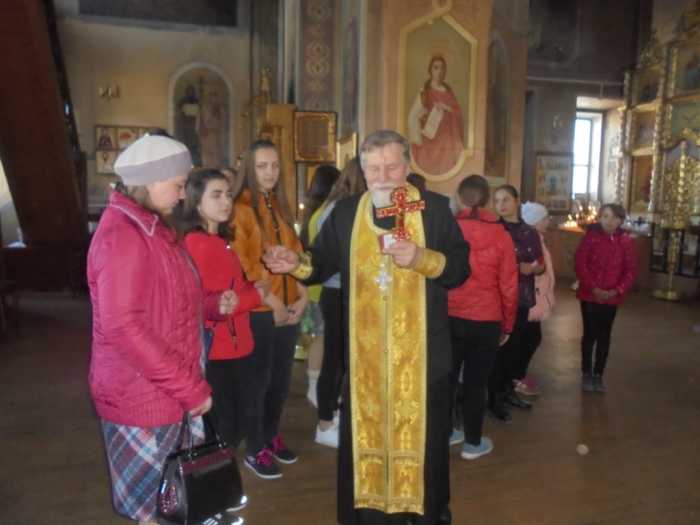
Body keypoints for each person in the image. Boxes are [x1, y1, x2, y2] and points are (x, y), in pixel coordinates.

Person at [263, 130, 470, 525]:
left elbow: (460, 269)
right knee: (365, 444)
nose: (383, 176)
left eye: (391, 166)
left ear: (407, 166)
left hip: (424, 361)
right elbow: (319, 262)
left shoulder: (435, 210)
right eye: (373, 168)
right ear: (362, 169)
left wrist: (422, 258)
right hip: (366, 363)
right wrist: (295, 264)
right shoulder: (346, 213)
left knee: (426, 451)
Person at [87, 135, 236, 525]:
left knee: (176, 505)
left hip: (165, 389)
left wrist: (210, 305)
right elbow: (124, 327)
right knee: (157, 511)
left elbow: (167, 302)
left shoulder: (154, 228)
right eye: (178, 184)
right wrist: (190, 388)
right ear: (151, 181)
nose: (183, 194)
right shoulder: (124, 237)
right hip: (143, 397)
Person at [180, 168, 276, 456]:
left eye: (228, 194)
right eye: (216, 195)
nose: (226, 202)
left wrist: (251, 287)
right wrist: (257, 295)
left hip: (230, 345)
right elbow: (216, 304)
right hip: (220, 348)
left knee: (228, 427)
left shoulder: (216, 240)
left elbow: (229, 288)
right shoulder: (201, 244)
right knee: (224, 429)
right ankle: (215, 480)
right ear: (197, 203)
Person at [232, 139, 308, 479]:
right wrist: (273, 302)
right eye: (262, 166)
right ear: (249, 168)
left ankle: (270, 433)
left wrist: (302, 295)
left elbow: (295, 254)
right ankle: (254, 447)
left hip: (288, 306)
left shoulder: (278, 205)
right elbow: (245, 266)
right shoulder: (241, 209)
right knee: (258, 383)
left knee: (280, 382)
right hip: (262, 311)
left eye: (275, 165)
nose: (270, 172)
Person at [447, 175, 518, 460]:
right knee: (476, 383)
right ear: (487, 199)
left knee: (447, 378)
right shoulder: (501, 235)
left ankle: (447, 432)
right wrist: (508, 324)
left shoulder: (448, 229)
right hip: (486, 319)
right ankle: (472, 443)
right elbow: (509, 285)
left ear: (459, 197)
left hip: (450, 316)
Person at [310, 158, 366, 449]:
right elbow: (328, 256)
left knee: (348, 359)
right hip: (338, 290)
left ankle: (339, 414)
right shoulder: (338, 210)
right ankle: (324, 423)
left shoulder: (345, 206)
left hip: (353, 291)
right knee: (334, 360)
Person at [489, 185, 544, 422]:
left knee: (515, 349)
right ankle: (494, 398)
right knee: (499, 351)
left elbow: (540, 264)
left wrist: (533, 268)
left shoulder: (529, 232)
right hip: (498, 299)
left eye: (506, 199)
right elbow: (487, 264)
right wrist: (515, 267)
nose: (501, 205)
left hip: (522, 297)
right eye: (497, 200)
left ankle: (508, 391)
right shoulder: (493, 230)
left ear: (517, 201)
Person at [575, 204, 637, 392]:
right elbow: (580, 264)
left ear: (620, 220)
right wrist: (593, 288)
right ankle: (586, 372)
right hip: (589, 295)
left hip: (612, 297)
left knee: (604, 336)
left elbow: (630, 270)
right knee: (590, 334)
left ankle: (598, 374)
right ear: (600, 218)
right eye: (605, 216)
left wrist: (617, 290)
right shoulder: (590, 237)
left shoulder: (625, 241)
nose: (609, 221)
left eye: (614, 217)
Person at [298, 164, 341, 411]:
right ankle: (315, 388)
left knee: (319, 337)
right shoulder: (328, 211)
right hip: (321, 284)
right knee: (321, 338)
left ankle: (316, 386)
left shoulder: (316, 211)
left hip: (314, 284)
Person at [516, 202, 556, 397]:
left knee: (530, 338)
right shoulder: (530, 240)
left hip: (536, 297)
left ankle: (518, 374)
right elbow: (533, 268)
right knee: (527, 339)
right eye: (544, 218)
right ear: (533, 221)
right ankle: (516, 377)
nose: (548, 221)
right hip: (531, 298)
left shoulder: (537, 238)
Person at [408, 55, 464, 176]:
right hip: (429, 136)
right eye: (436, 68)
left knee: (446, 166)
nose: (439, 71)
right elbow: (413, 116)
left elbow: (457, 112)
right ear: (430, 70)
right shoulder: (425, 91)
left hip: (446, 137)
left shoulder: (448, 91)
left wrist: (446, 107)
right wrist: (422, 115)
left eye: (442, 68)